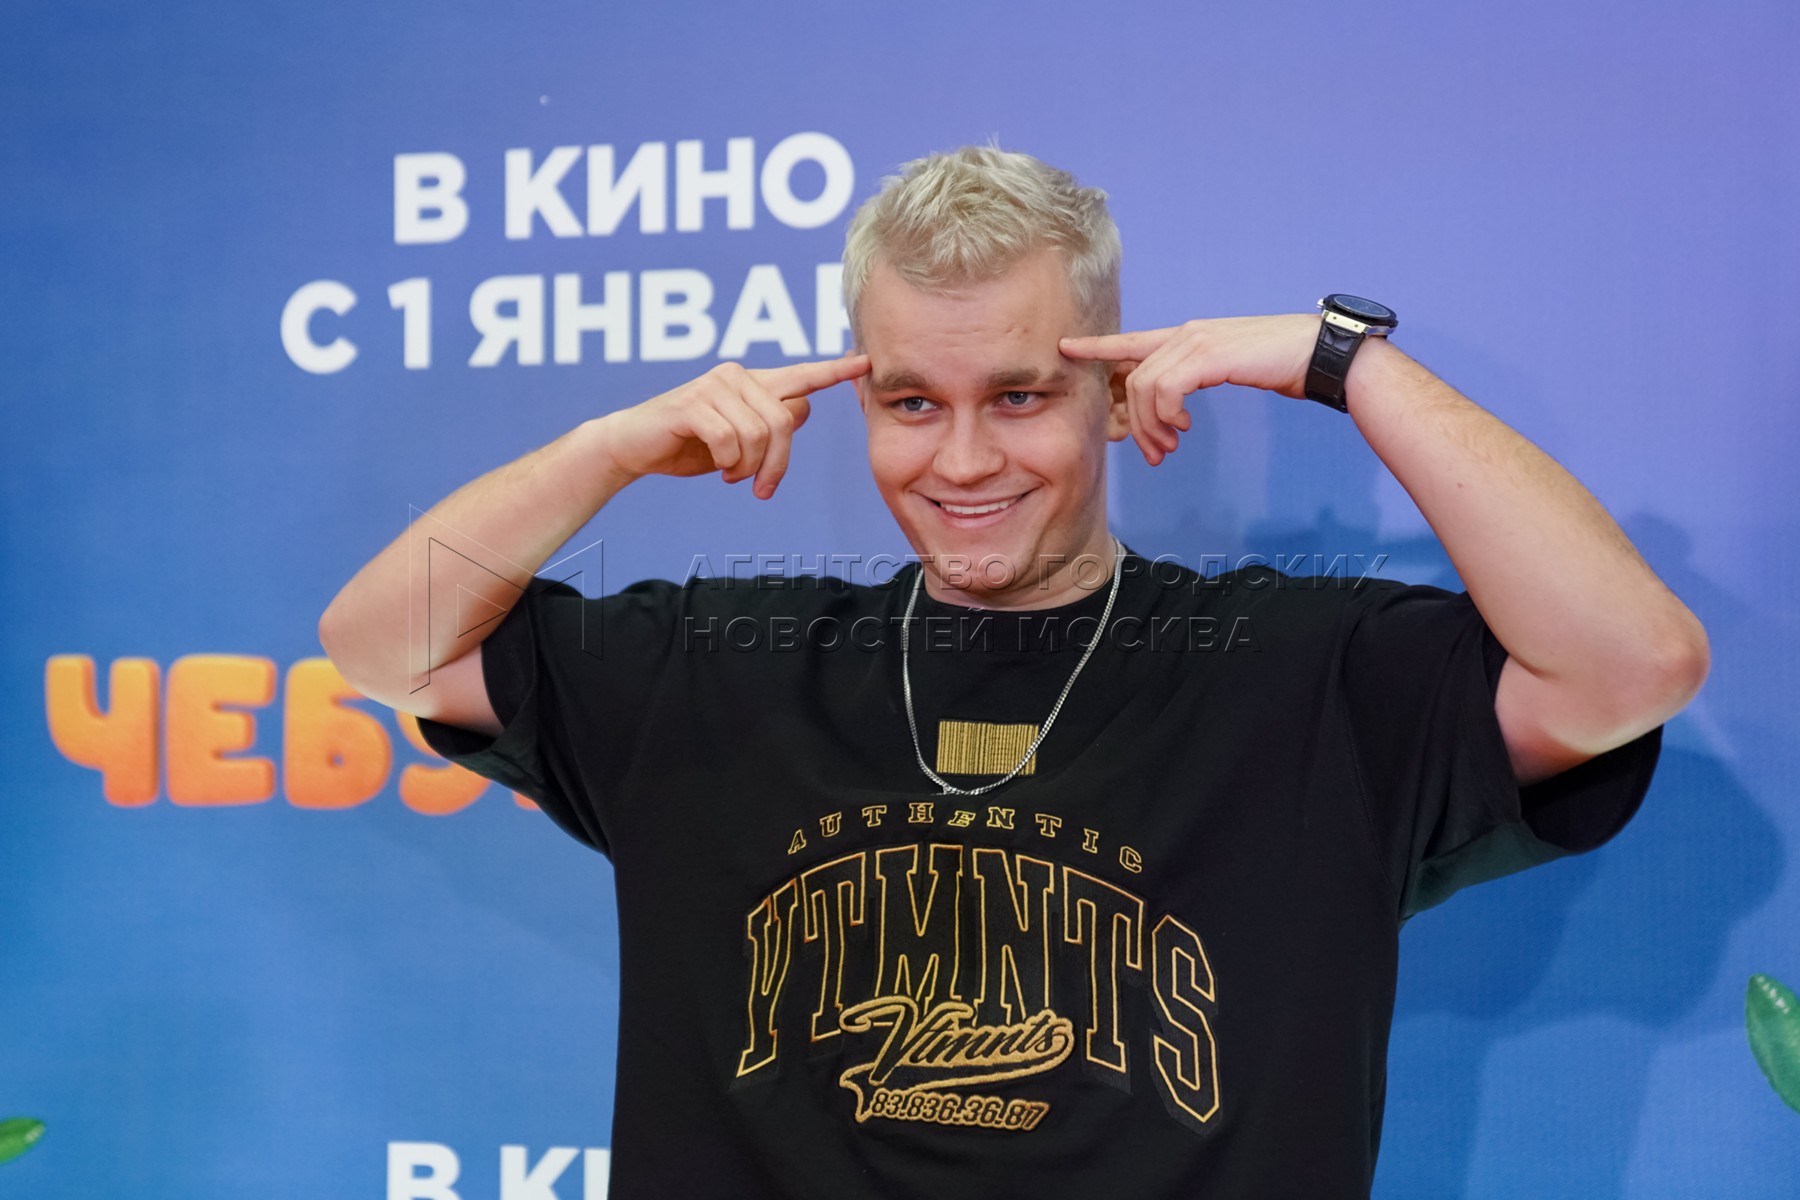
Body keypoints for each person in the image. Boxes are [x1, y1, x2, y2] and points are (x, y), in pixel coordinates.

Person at [319, 147, 1708, 1198]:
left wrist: (1345, 364)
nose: (965, 460)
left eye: (1021, 396)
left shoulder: (1307, 674)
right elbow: (382, 644)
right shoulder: (716, 666)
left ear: (1113, 389)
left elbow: (1631, 664)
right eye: (912, 402)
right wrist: (607, 450)